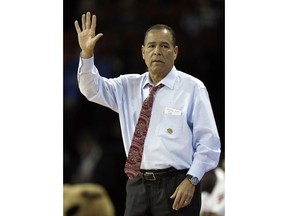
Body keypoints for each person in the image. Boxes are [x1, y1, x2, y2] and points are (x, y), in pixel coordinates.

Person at [74, 11, 221, 216]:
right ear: (143, 51)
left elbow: (209, 144)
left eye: (164, 46)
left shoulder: (193, 88)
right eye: (151, 46)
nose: (157, 51)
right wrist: (87, 55)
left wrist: (192, 180)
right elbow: (91, 89)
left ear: (175, 52)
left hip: (177, 185)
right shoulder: (127, 86)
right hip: (137, 185)